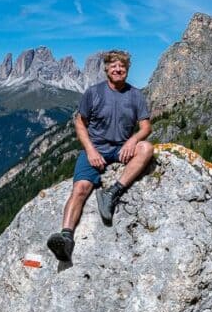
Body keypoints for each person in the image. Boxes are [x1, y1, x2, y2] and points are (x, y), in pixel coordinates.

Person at [47, 50, 154, 262]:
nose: (117, 69)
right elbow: (80, 122)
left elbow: (146, 127)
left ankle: (112, 193)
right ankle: (66, 238)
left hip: (121, 148)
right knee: (81, 188)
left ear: (127, 70)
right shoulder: (93, 93)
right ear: (106, 70)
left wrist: (132, 140)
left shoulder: (135, 95)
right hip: (95, 148)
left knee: (147, 148)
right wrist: (91, 150)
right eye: (113, 66)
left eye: (121, 67)